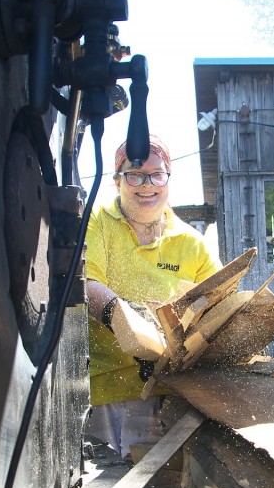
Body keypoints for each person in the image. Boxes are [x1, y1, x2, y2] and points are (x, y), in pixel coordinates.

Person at [84, 134, 222, 457]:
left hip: (172, 396)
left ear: (168, 179)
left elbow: (220, 306)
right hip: (106, 394)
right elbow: (87, 283)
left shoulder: (193, 245)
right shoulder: (98, 221)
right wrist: (129, 320)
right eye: (134, 174)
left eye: (157, 174)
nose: (147, 184)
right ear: (117, 181)